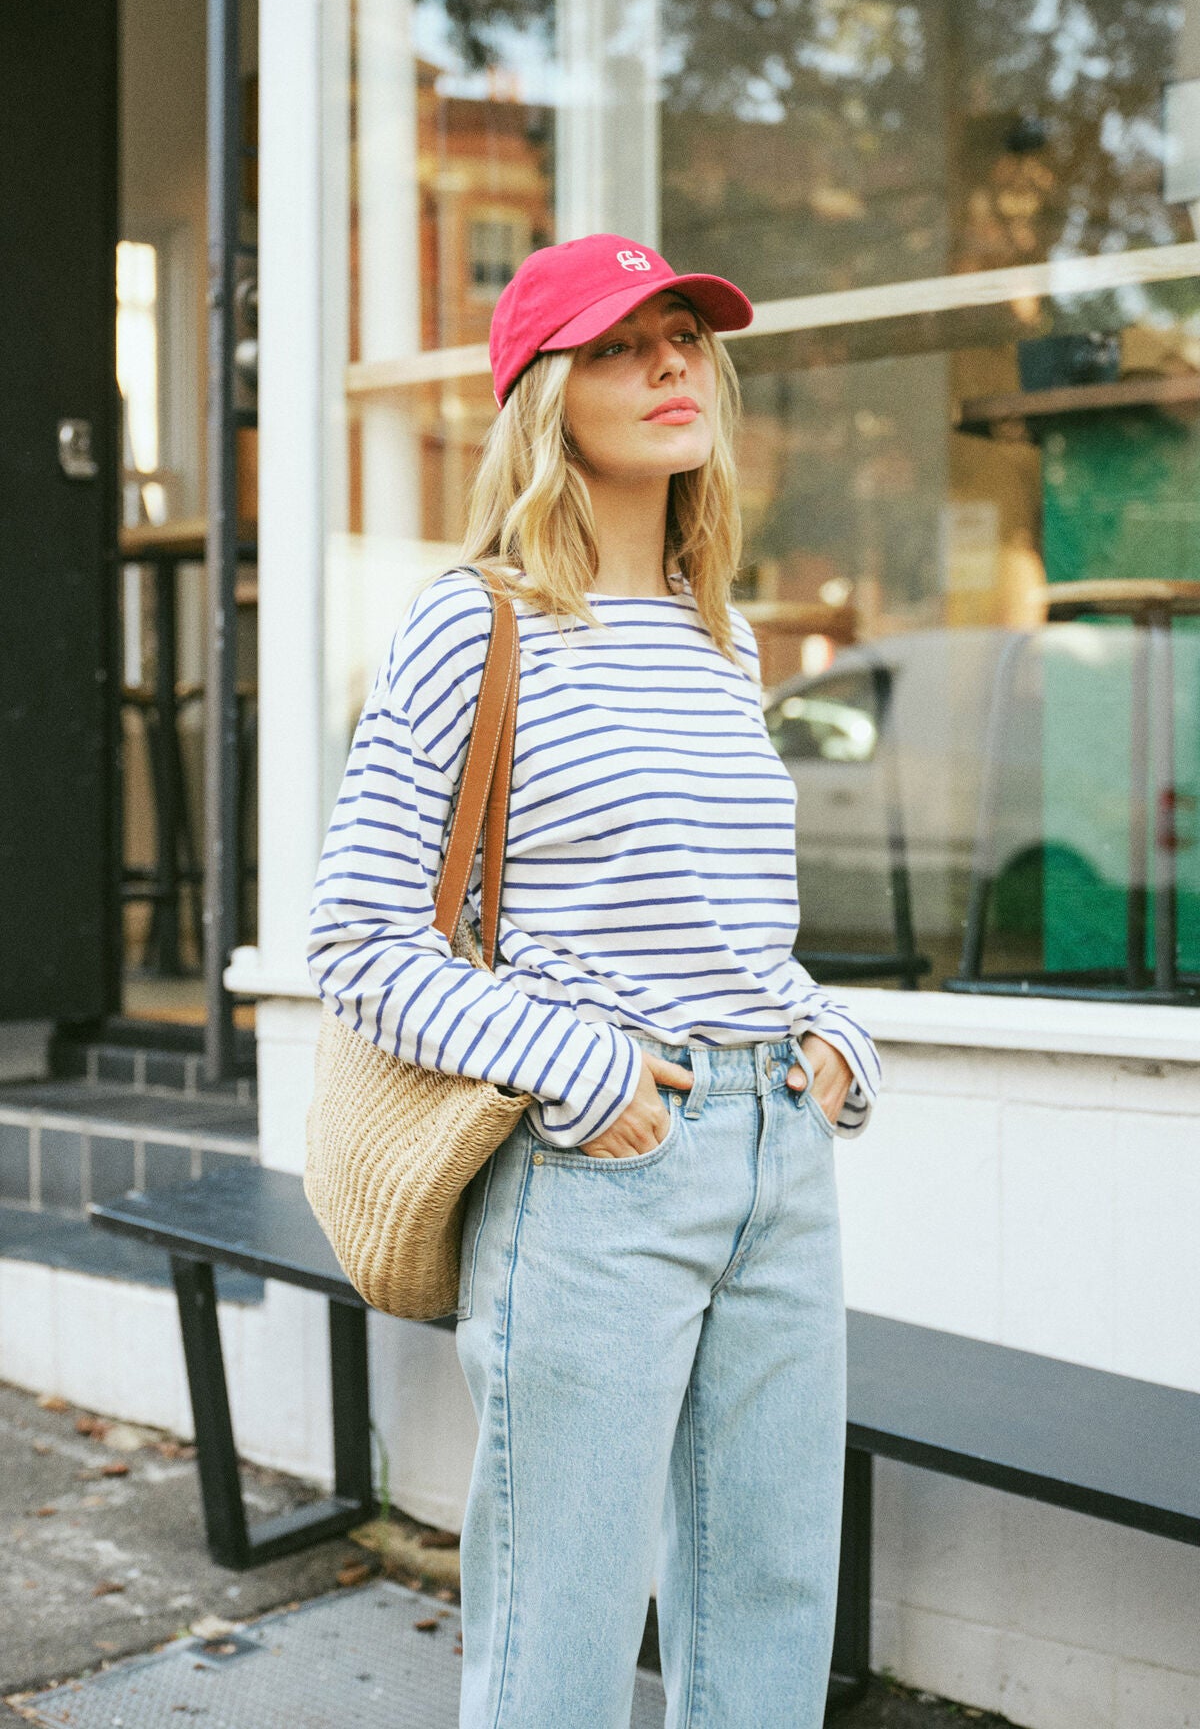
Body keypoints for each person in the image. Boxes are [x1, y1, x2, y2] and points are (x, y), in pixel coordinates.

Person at [307, 233, 881, 1728]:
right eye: (626, 343)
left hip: (777, 1152)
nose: (673, 364)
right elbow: (357, 941)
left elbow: (721, 918)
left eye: (687, 336)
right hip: (598, 1170)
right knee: (556, 1638)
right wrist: (588, 1072)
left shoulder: (722, 637)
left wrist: (821, 1032)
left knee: (767, 1610)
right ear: (548, 394)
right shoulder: (472, 622)